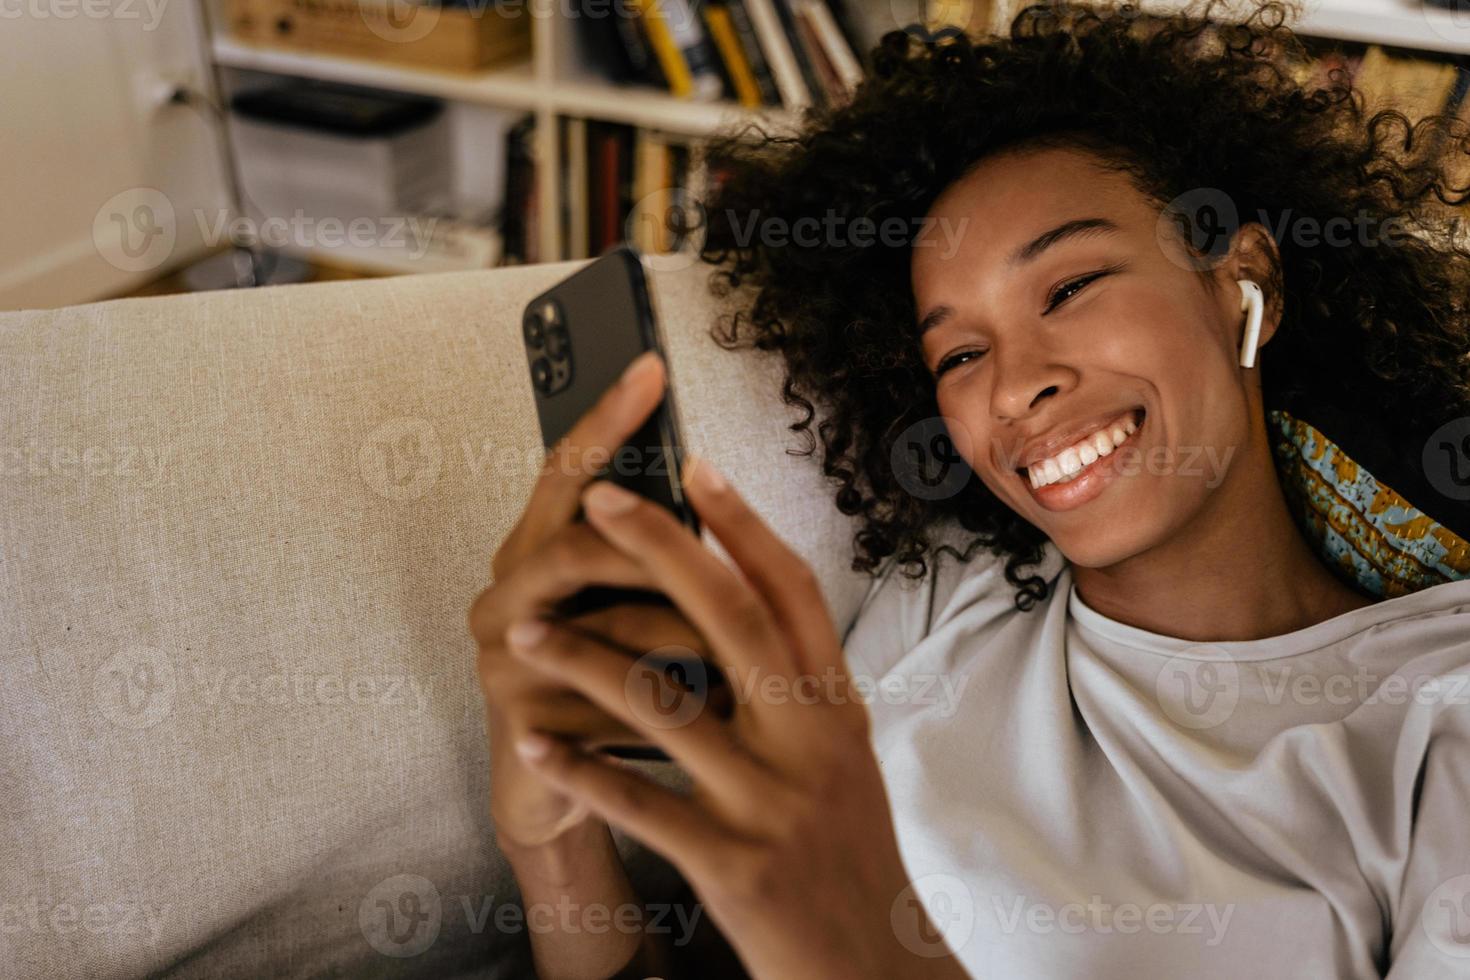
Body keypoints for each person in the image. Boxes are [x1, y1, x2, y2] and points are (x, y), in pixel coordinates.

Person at [468, 1, 1470, 976]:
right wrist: (553, 836)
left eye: (1070, 288)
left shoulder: (1435, 717)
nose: (1014, 383)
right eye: (960, 352)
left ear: (1246, 279)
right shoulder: (949, 598)